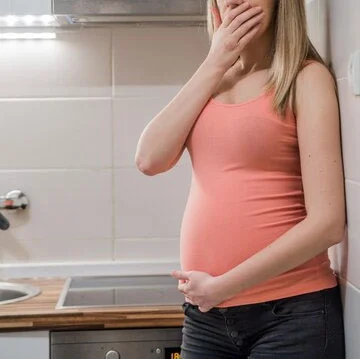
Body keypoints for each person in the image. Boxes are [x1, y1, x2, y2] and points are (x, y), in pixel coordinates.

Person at [135, 0, 346, 357]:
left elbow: (327, 224)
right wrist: (215, 61)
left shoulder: (306, 78)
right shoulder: (213, 82)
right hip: (207, 318)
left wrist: (222, 287)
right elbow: (149, 159)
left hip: (290, 315)